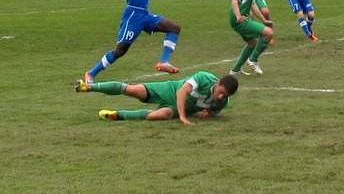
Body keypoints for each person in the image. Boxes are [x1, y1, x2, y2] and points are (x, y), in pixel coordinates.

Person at [82, 0, 184, 85]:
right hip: (133, 15)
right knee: (120, 50)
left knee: (174, 28)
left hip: (144, 14)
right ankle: (91, 73)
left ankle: (164, 61)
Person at [74, 71, 238, 125]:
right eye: (221, 91)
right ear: (217, 84)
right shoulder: (204, 78)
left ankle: (117, 115)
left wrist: (207, 113)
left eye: (225, 95)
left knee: (159, 116)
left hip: (174, 107)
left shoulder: (223, 102)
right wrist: (182, 116)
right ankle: (87, 87)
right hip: (169, 90)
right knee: (133, 90)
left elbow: (211, 110)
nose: (221, 96)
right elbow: (182, 92)